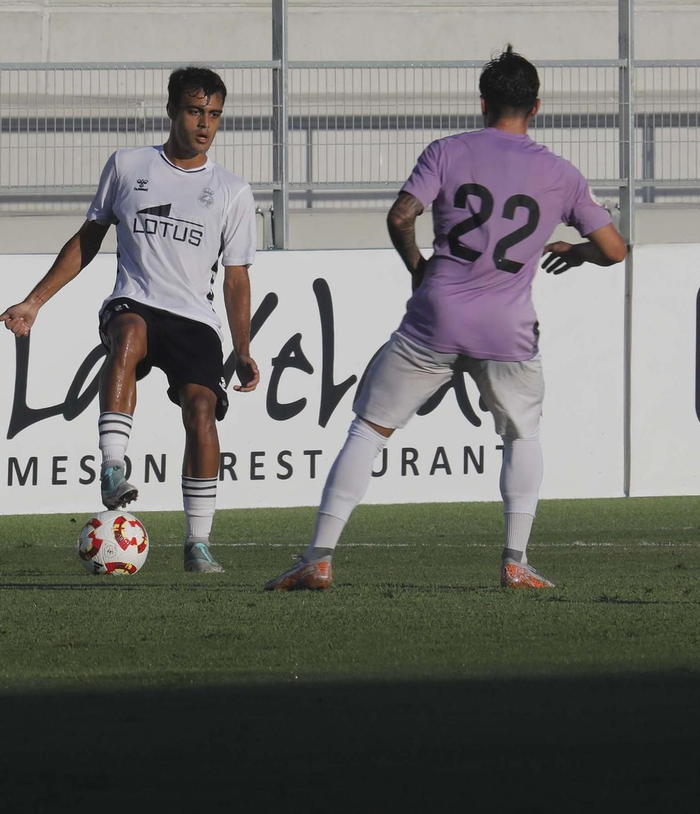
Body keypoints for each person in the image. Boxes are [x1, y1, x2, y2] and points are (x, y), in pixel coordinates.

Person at [264, 46, 629, 593]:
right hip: (507, 328)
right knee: (522, 434)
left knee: (369, 428)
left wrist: (417, 266)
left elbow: (401, 215)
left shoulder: (448, 151)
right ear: (537, 108)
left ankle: (318, 558)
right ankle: (515, 561)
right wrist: (574, 252)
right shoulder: (561, 174)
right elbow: (615, 250)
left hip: (436, 317)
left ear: (483, 103)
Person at [0, 67, 261, 574]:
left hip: (195, 320)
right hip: (135, 301)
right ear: (171, 110)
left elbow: (236, 278)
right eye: (194, 110)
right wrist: (34, 302)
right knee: (129, 335)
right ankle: (114, 465)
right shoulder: (127, 165)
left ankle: (198, 543)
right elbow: (88, 240)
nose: (204, 123)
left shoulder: (232, 191)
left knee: (202, 412)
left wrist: (242, 348)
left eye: (214, 114)